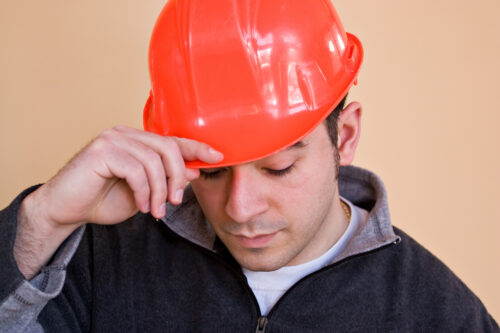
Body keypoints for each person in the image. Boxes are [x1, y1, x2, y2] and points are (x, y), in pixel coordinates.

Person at [0, 0, 498, 332]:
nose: (240, 208)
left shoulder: (436, 312)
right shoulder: (97, 259)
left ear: (344, 137)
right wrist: (42, 219)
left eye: (279, 167)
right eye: (211, 172)